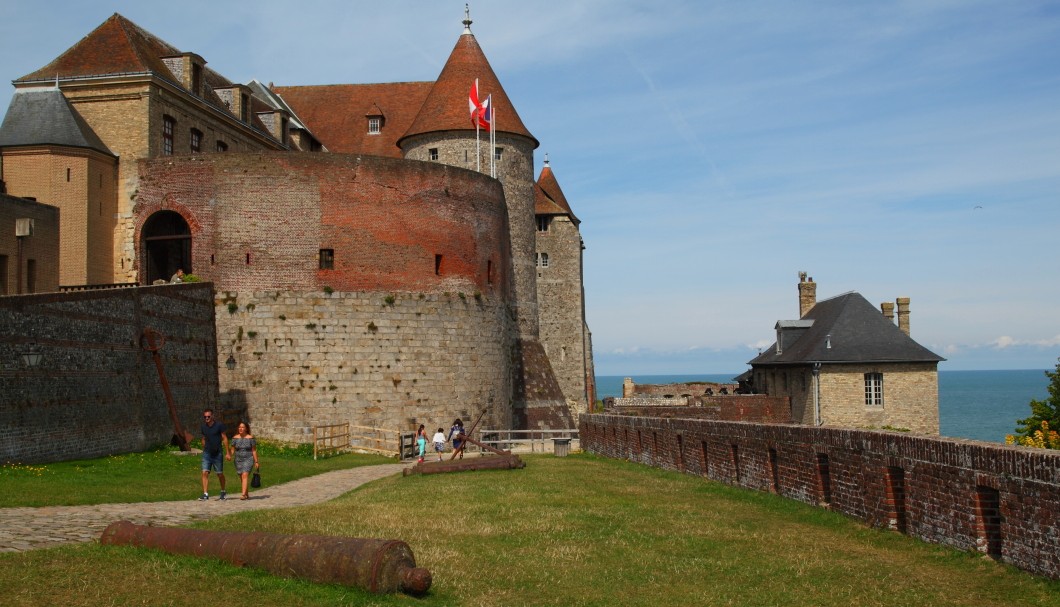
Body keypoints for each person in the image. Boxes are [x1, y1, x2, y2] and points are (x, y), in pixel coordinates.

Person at [199, 408, 230, 500]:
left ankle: (223, 491)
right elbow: (204, 438)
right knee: (204, 472)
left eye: (208, 416)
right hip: (207, 453)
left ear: (212, 416)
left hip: (217, 453)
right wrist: (204, 446)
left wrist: (227, 452)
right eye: (205, 417)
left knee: (219, 474)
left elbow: (224, 438)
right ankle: (205, 493)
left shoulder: (219, 426)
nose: (206, 418)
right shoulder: (203, 427)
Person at [229, 421, 259, 500]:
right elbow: (232, 450)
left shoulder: (250, 438)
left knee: (245, 475)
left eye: (242, 427)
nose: (240, 429)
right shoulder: (235, 438)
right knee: (241, 477)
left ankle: (243, 494)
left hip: (248, 458)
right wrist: (229, 455)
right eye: (239, 427)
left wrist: (256, 461)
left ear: (246, 429)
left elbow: (254, 451)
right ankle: (246, 493)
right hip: (238, 459)